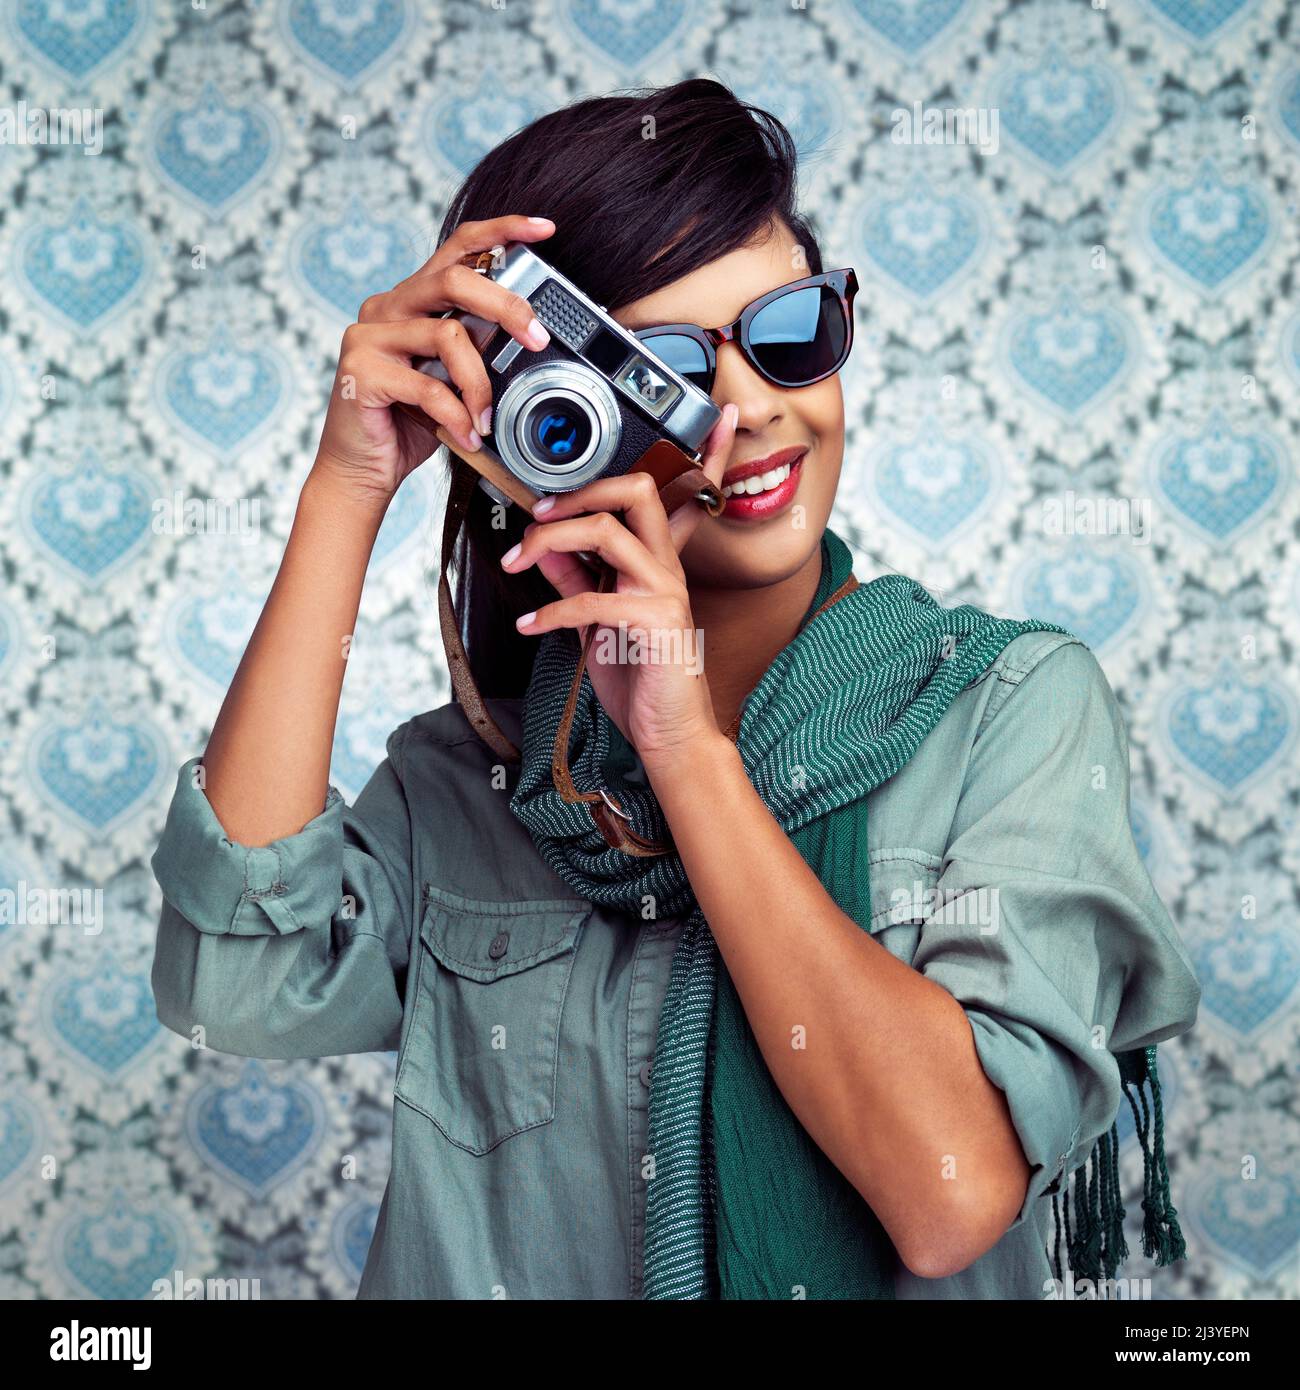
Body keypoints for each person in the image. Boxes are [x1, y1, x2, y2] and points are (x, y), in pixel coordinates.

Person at [149, 78, 1201, 1300]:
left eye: (789, 332)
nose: (749, 410)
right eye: (659, 369)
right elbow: (230, 987)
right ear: (549, 426)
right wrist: (348, 484)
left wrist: (688, 752)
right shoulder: (479, 777)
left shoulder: (1005, 708)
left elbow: (949, 1189)